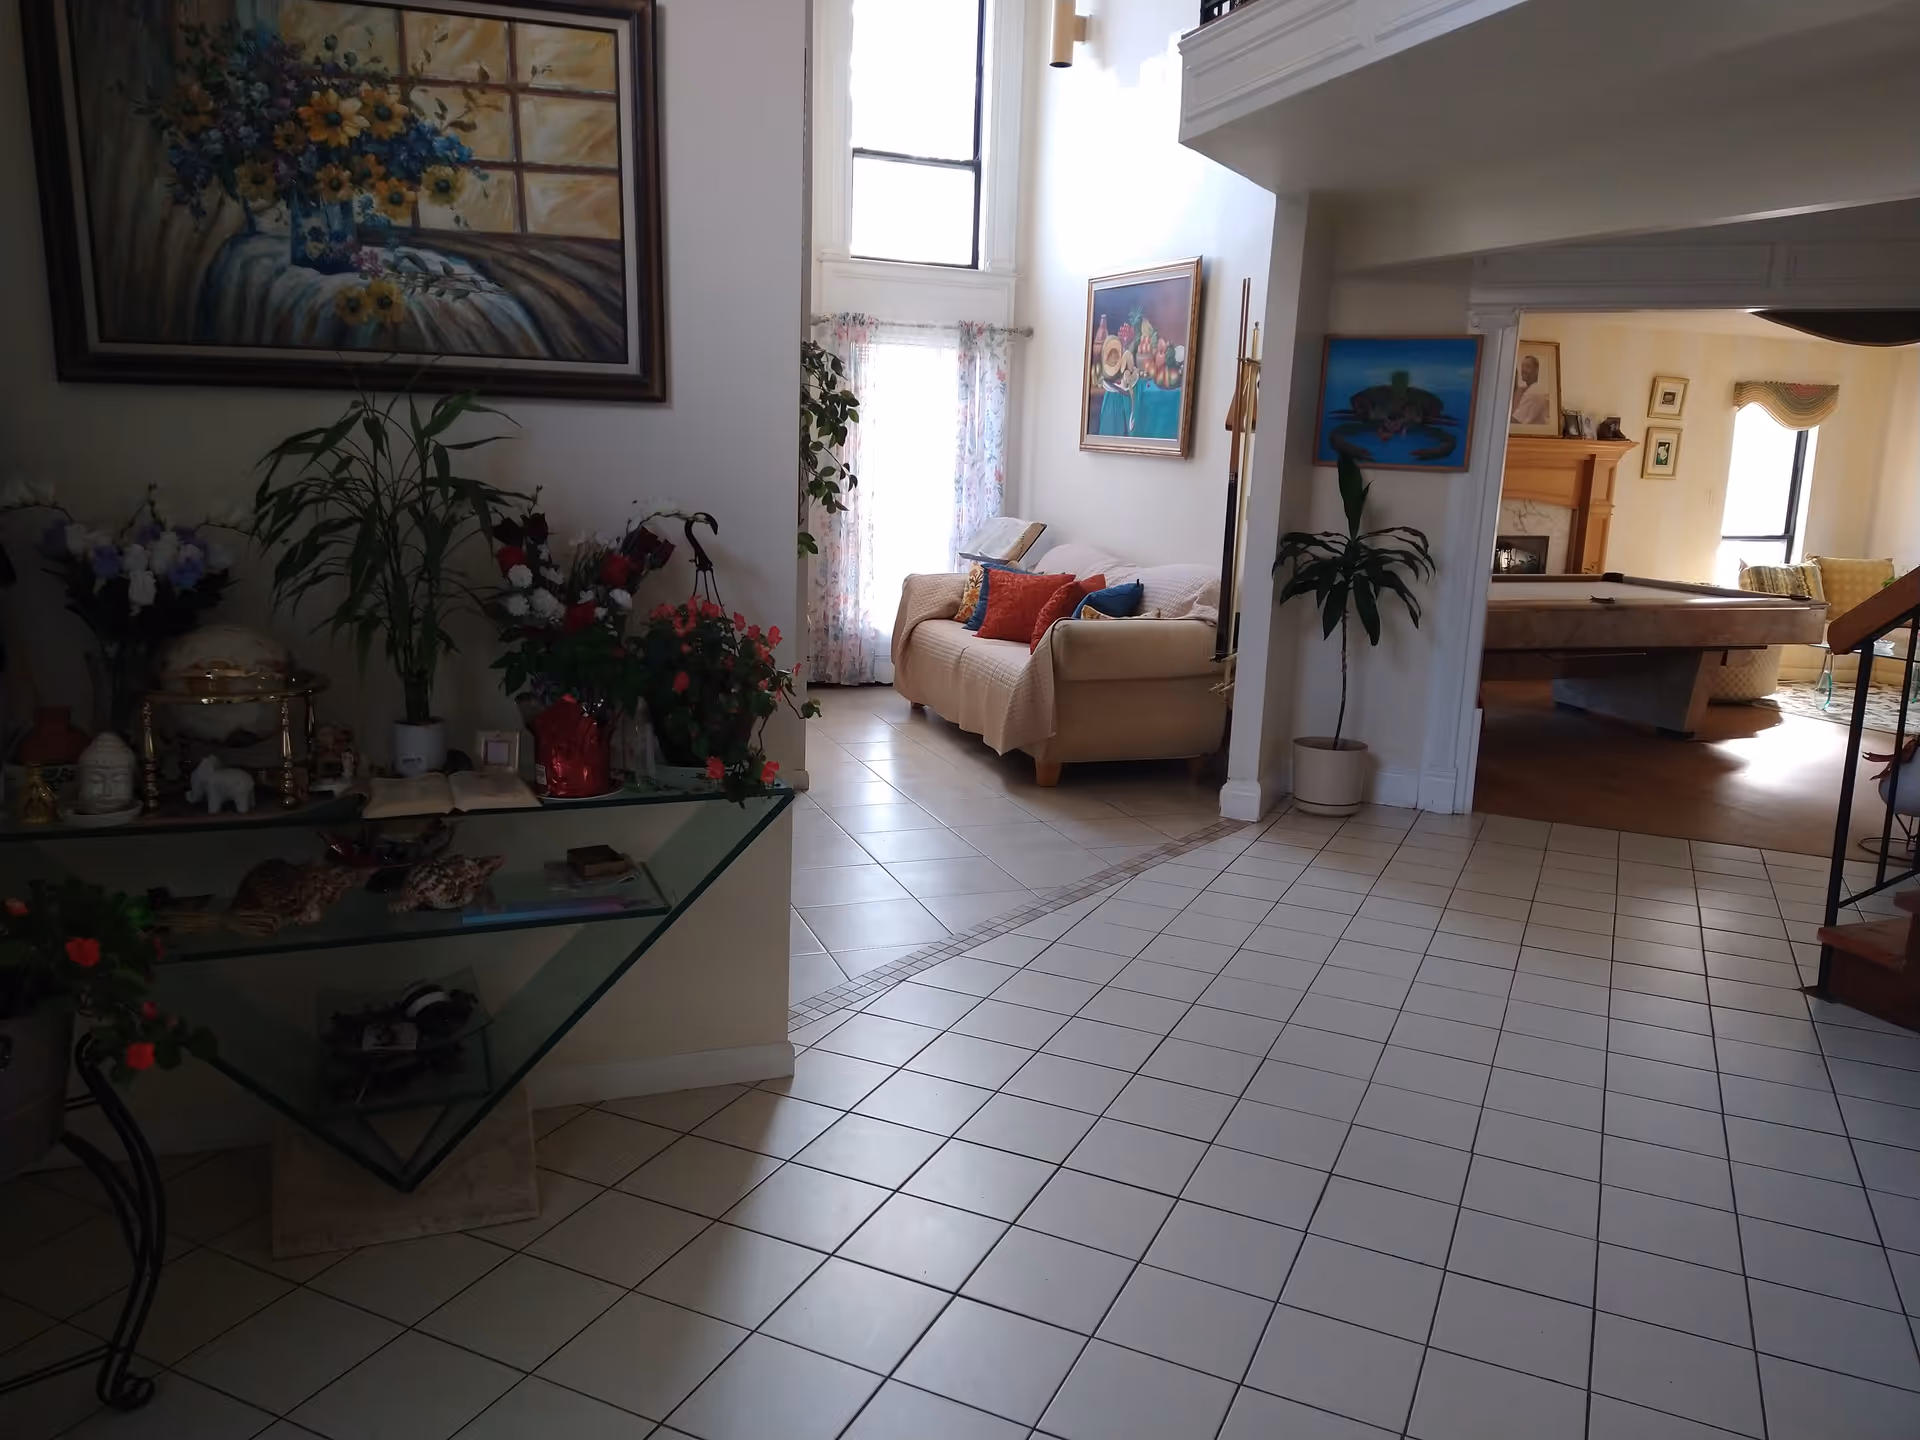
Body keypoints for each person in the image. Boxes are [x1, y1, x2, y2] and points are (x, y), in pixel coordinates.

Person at [1512, 353, 1552, 427]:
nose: (1523, 369)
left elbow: (1515, 421)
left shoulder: (1534, 391)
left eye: (1527, 366)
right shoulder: (1528, 389)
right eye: (1522, 366)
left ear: (1536, 370)